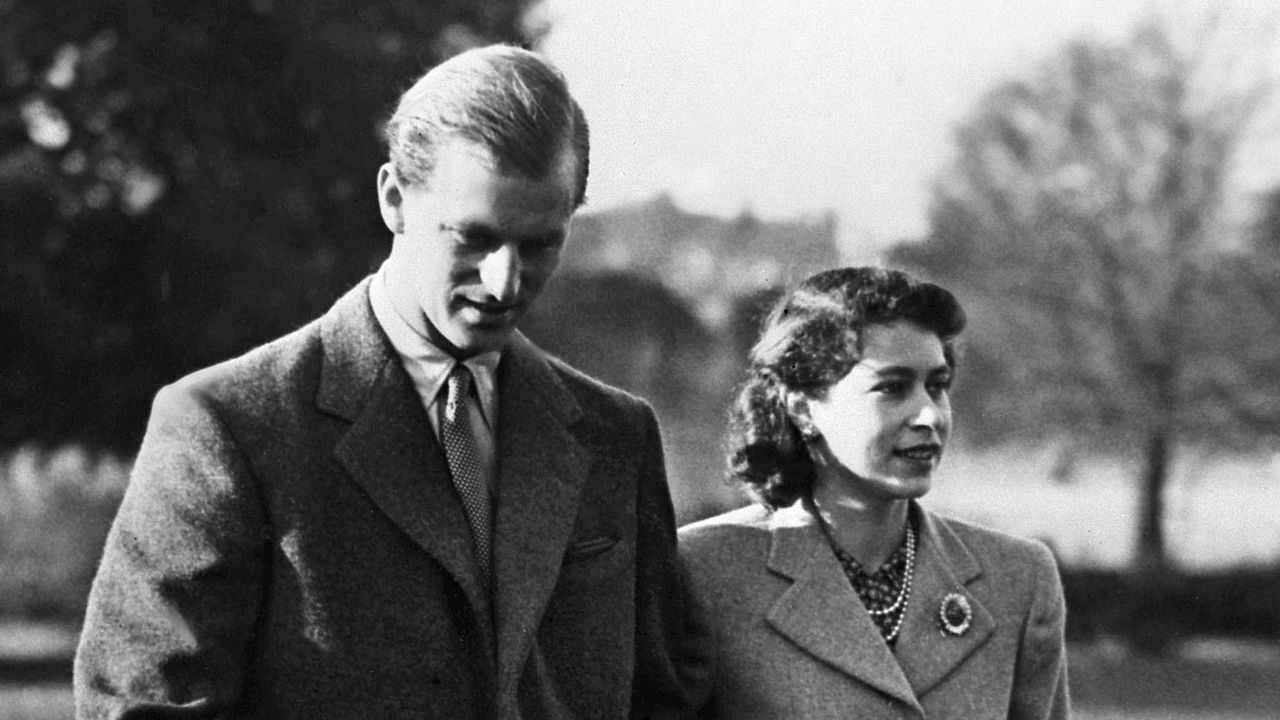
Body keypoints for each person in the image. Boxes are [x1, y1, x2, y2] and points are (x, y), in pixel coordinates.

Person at [75, 44, 685, 719]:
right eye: (474, 238)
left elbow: (670, 699)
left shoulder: (617, 439)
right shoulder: (228, 427)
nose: (505, 281)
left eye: (541, 242)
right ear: (395, 197)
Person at [675, 267, 1070, 719]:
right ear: (803, 408)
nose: (929, 416)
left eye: (937, 387)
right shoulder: (706, 572)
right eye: (892, 388)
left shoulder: (1018, 580)